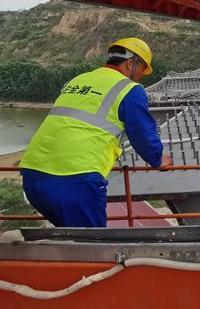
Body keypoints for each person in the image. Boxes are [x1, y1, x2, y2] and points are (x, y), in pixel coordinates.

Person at [20, 38, 173, 227]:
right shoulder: (129, 89)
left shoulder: (78, 80)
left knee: (71, 239)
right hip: (75, 179)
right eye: (143, 70)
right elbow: (141, 133)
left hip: (32, 177)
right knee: (94, 246)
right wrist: (158, 158)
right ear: (131, 63)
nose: (141, 76)